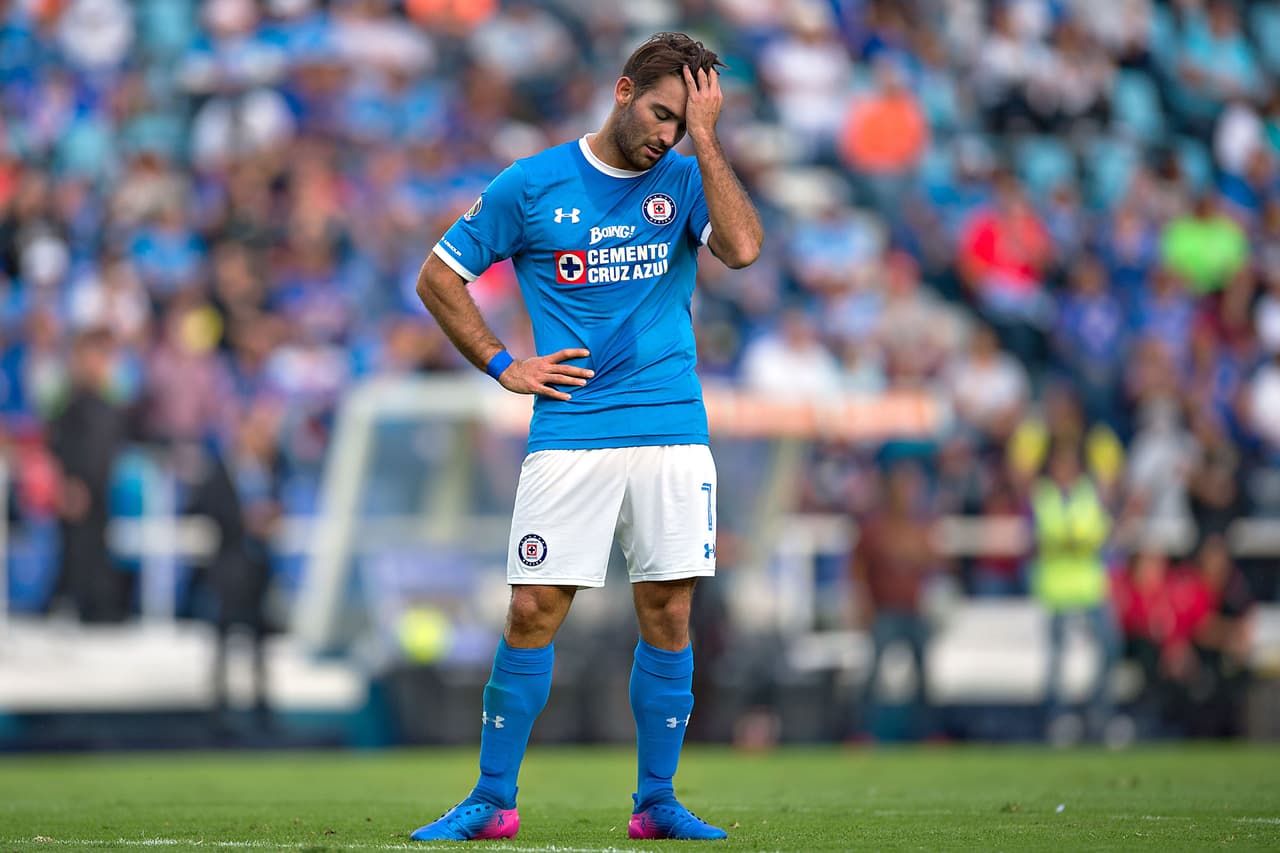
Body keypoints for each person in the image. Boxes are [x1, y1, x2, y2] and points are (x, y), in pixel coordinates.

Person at [409, 32, 762, 843]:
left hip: (672, 424)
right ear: (622, 90)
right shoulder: (532, 185)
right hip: (571, 429)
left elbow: (742, 250)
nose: (666, 135)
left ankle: (656, 801)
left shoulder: (688, 173)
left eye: (685, 122)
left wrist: (706, 141)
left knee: (668, 611)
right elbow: (439, 277)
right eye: (663, 114)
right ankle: (493, 798)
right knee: (533, 607)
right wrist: (503, 363)